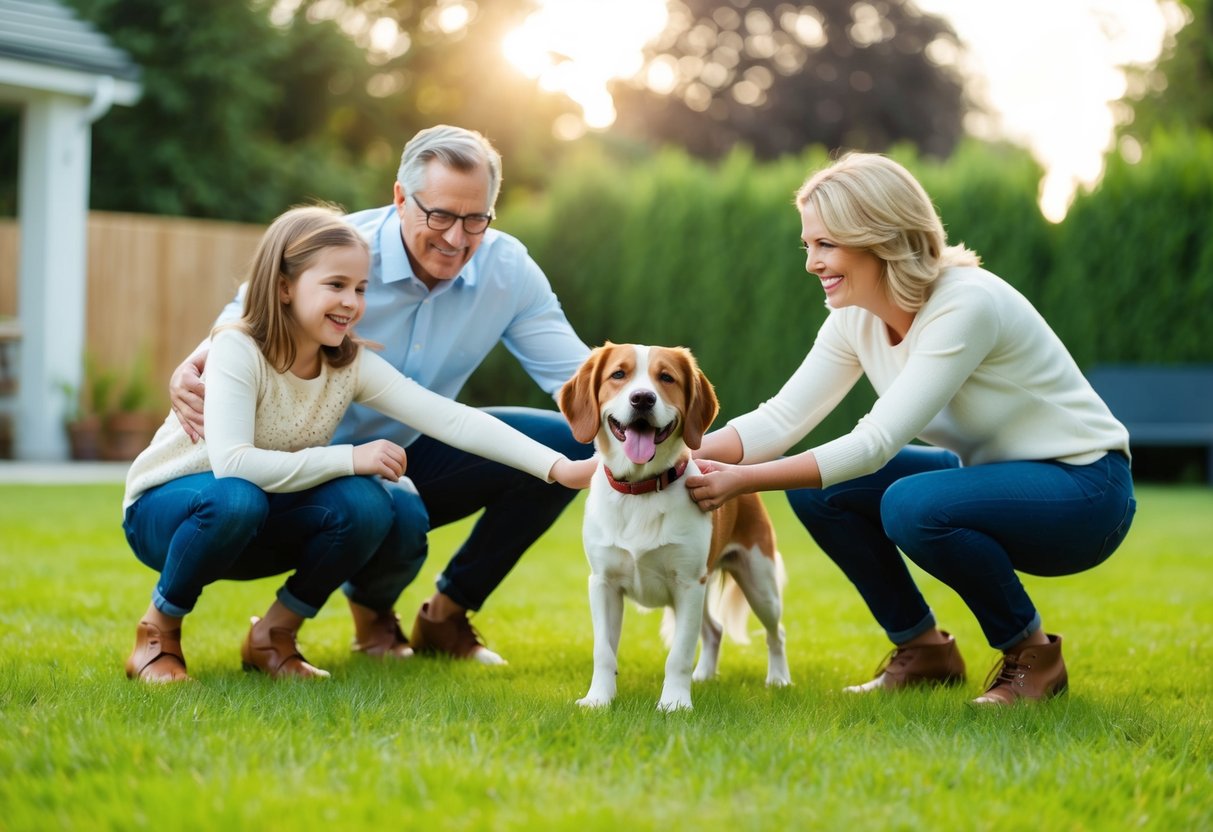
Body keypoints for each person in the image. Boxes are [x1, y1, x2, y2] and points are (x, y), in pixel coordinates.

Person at [684, 152, 1136, 706]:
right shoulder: (853, 314)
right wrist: (671, 451)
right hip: (993, 476)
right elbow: (781, 418)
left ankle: (1033, 660)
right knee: (818, 491)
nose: (811, 263)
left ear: (878, 237)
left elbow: (874, 444)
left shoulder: (965, 303)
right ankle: (924, 654)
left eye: (825, 244)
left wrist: (739, 480)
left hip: (1087, 490)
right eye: (808, 246)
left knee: (913, 505)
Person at [169, 125, 593, 665]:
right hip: (294, 464)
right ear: (399, 197)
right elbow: (240, 325)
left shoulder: (507, 270)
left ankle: (446, 615)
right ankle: (351, 618)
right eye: (439, 215)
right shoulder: (335, 250)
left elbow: (578, 381)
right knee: (392, 507)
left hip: (410, 450)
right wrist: (198, 357)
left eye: (476, 219)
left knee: (569, 442)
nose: (457, 238)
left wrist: (668, 437)